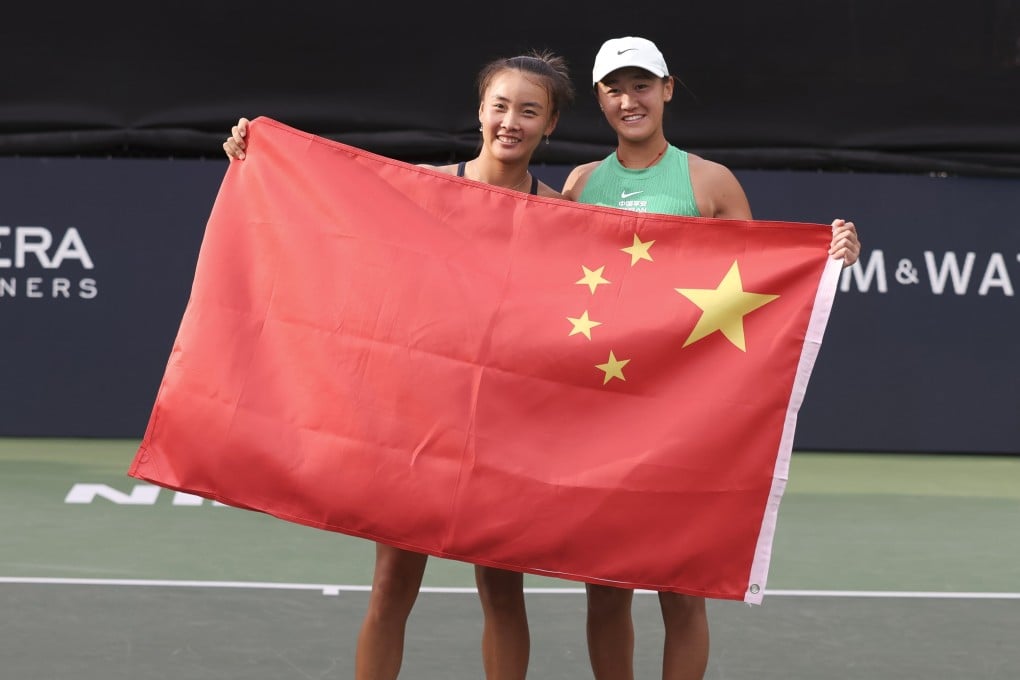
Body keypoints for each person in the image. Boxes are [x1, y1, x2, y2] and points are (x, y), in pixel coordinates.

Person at [222, 50, 575, 680]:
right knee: (392, 587)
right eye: (500, 105)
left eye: (529, 110)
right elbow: (330, 206)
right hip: (419, 425)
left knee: (503, 594)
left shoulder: (565, 217)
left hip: (504, 435)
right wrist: (257, 156)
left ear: (549, 125)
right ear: (480, 111)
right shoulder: (422, 186)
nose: (510, 121)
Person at [562, 36, 861, 680]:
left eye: (642, 85)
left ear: (668, 89)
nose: (629, 99)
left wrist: (827, 254)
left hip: (684, 423)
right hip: (604, 416)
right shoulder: (581, 183)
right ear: (599, 100)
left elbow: (754, 292)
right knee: (604, 588)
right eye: (615, 88)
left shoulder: (710, 182)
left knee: (680, 587)